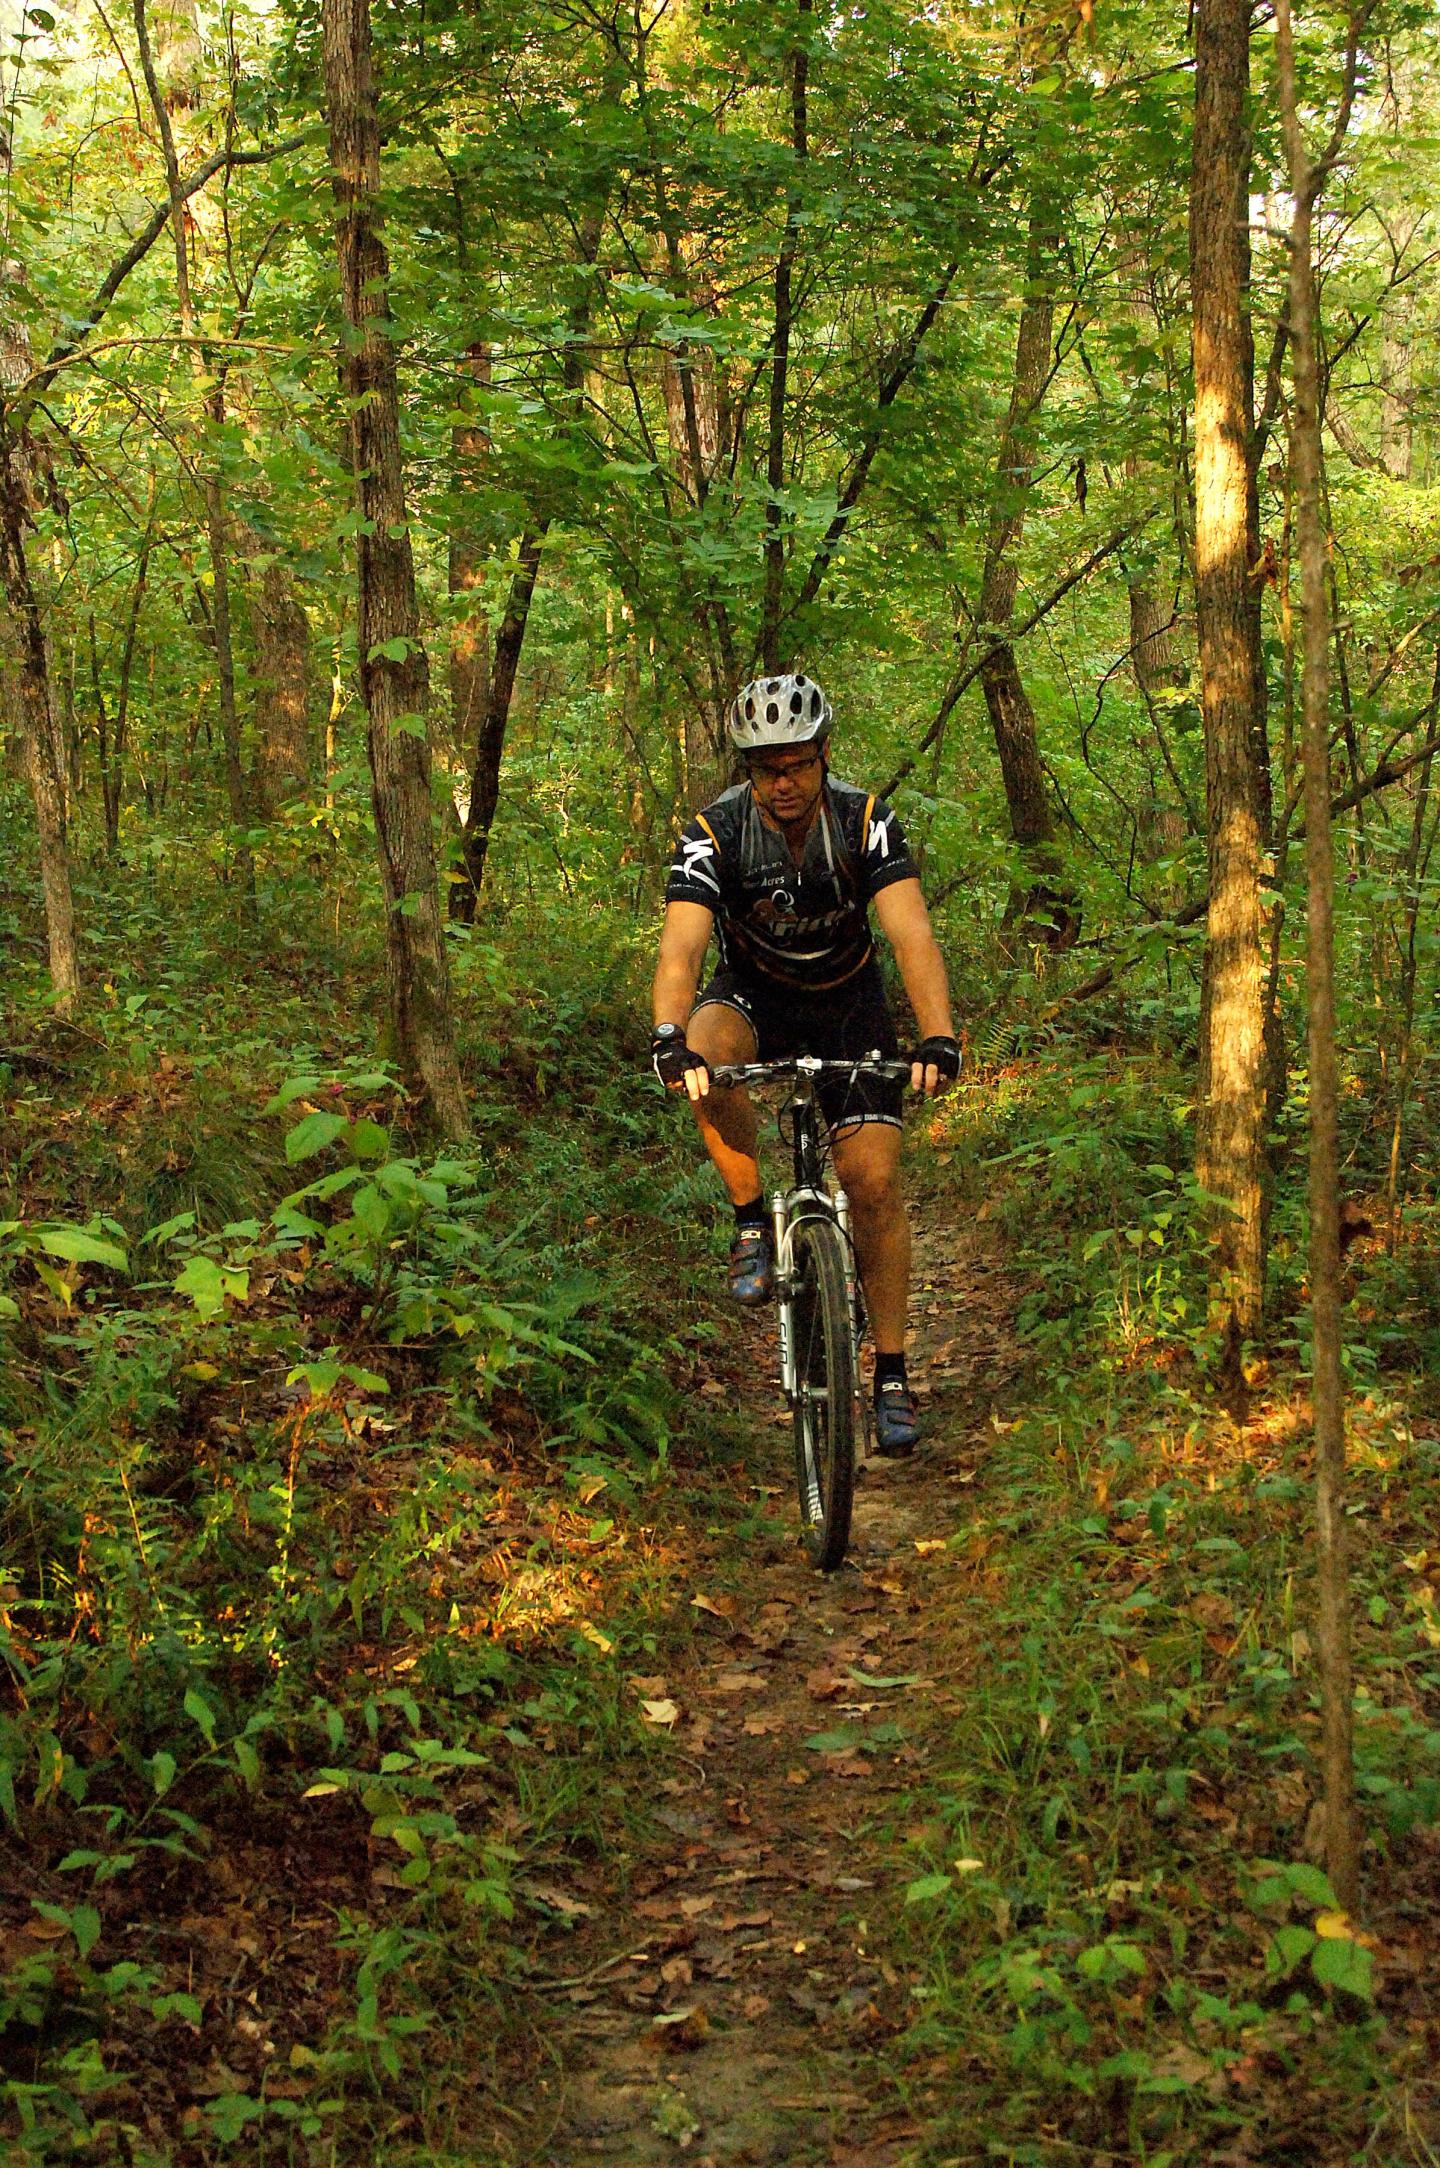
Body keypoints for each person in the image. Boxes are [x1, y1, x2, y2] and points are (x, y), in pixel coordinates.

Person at [650, 671, 959, 1455]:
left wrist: (937, 1036)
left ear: (824, 756)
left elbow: (911, 933)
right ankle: (753, 1219)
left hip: (848, 1003)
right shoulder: (713, 831)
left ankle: (889, 1374)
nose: (783, 784)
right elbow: (682, 944)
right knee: (707, 1059)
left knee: (875, 1182)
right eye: (765, 769)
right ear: (746, 770)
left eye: (797, 765)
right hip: (753, 994)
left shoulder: (864, 822)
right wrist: (666, 1032)